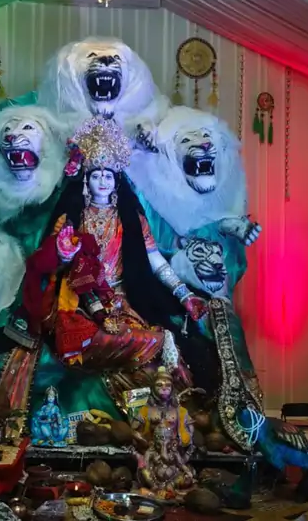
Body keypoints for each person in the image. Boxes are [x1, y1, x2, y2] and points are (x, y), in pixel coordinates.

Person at [22, 116, 222, 401]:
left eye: (108, 176)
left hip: (122, 300)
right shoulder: (72, 218)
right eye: (96, 175)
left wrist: (184, 294)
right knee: (85, 342)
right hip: (79, 303)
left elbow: (155, 261)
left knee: (151, 350)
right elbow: (47, 262)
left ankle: (165, 395)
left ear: (116, 181)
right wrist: (62, 254)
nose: (103, 181)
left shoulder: (129, 219)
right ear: (86, 180)